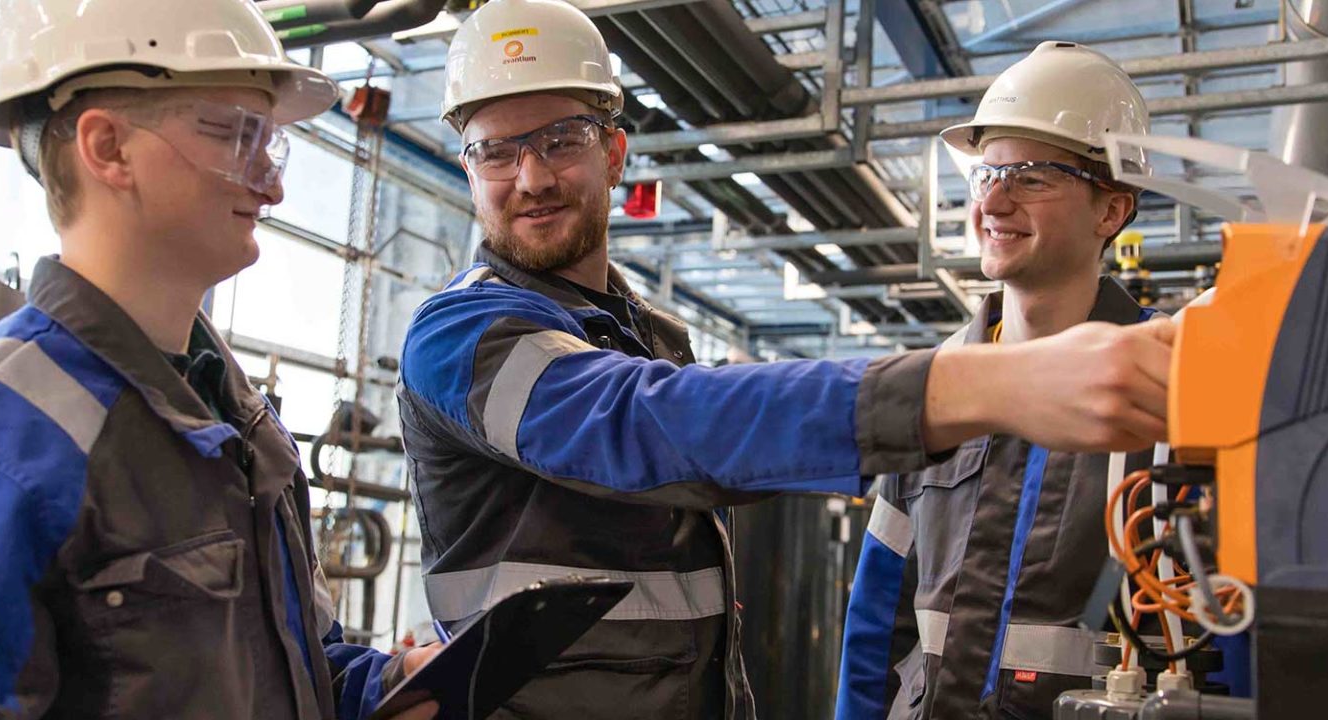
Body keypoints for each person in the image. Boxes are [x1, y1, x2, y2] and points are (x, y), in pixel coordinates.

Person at [396, 3, 1179, 717]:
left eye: (561, 140)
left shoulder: (653, 340)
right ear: (467, 169)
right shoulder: (459, 336)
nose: (531, 177)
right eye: (495, 153)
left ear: (614, 153)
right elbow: (636, 423)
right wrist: (966, 385)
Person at [0, 1, 432, 718]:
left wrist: (382, 688)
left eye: (271, 145)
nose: (273, 185)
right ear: (108, 149)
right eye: (237, 135)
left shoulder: (245, 427)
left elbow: (281, 670)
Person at [835, 41, 1174, 720]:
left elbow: (1215, 628)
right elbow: (876, 622)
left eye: (1031, 177)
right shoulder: (932, 386)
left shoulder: (1164, 380)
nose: (993, 199)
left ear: (1110, 211)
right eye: (986, 174)